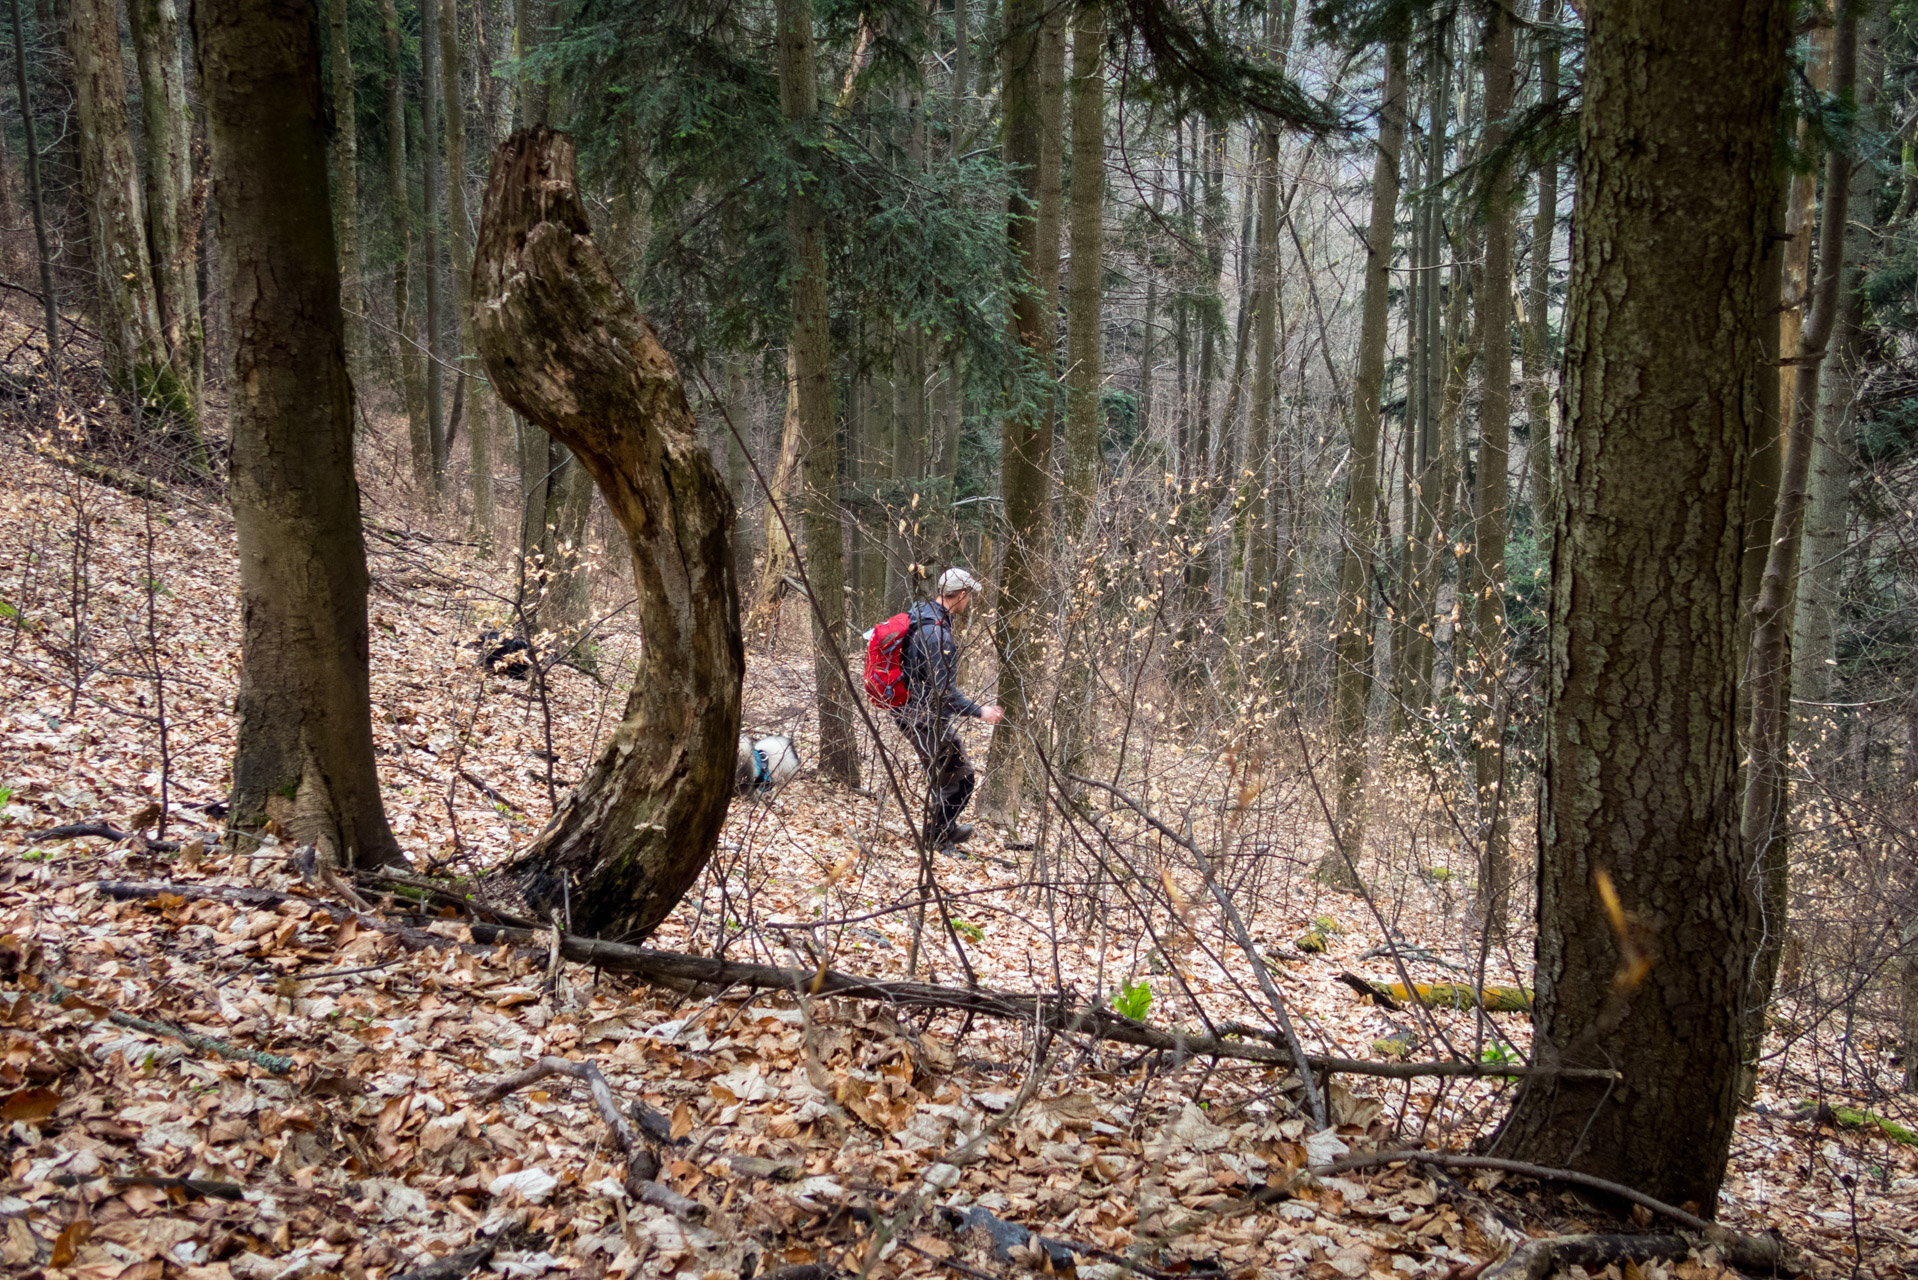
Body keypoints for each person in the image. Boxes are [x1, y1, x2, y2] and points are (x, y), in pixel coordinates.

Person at [896, 568, 1003, 848]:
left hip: (913, 712)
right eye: (969, 596)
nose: (969, 603)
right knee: (962, 779)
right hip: (922, 717)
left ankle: (944, 831)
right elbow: (943, 691)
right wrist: (980, 711)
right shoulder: (936, 634)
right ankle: (938, 840)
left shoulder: (923, 615)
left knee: (946, 777)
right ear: (962, 594)